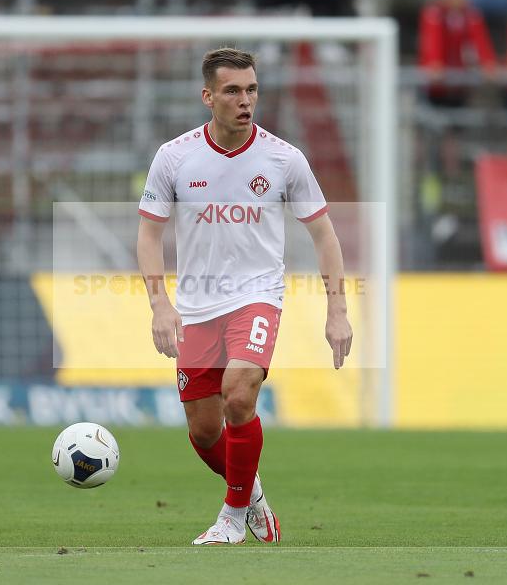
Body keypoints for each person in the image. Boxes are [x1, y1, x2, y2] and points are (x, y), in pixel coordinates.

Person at [137, 48, 353, 545]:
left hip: (257, 297)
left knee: (239, 393)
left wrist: (337, 310)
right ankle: (251, 494)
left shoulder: (283, 159)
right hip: (196, 306)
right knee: (204, 432)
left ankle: (232, 517)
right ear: (207, 95)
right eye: (233, 90)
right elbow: (149, 236)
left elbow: (325, 236)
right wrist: (160, 304)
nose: (245, 100)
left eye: (251, 89)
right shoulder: (174, 157)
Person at [418, 0, 498, 108]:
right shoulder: (434, 13)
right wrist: (434, 62)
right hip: (435, 85)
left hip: (459, 82)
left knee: (458, 115)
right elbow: (432, 39)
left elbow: (480, 40)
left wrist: (487, 62)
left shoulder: (470, 14)